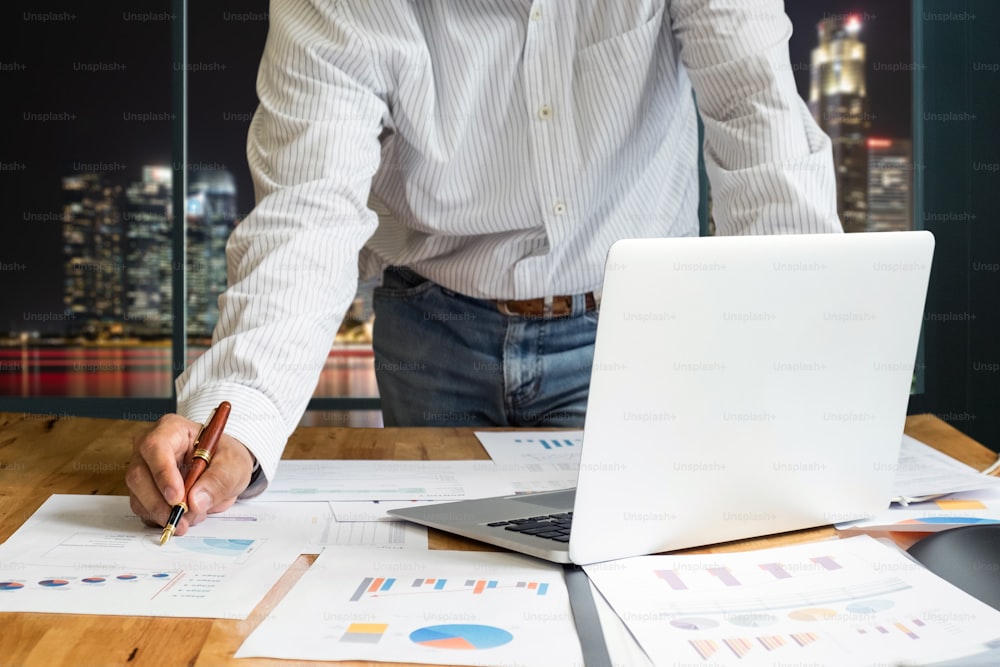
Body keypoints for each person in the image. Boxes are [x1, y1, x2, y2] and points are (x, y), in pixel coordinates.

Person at [127, 0, 842, 534]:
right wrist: (238, 419)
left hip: (633, 329)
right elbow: (307, 211)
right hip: (433, 329)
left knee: (630, 575)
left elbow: (759, 124)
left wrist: (799, 379)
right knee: (434, 570)